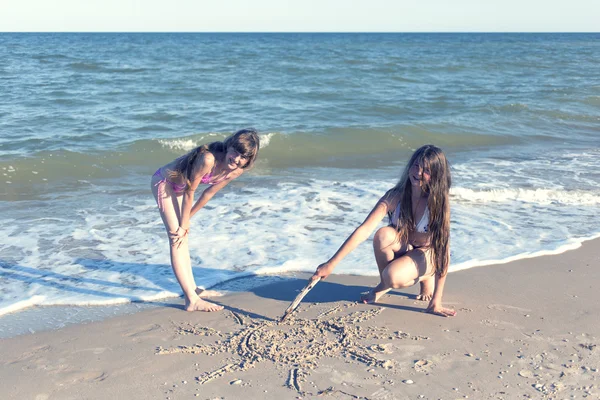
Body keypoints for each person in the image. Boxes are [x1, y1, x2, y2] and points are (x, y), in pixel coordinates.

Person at [311, 144, 456, 317]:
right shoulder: (395, 195)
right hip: (405, 247)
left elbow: (442, 249)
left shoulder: (438, 203)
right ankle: (386, 283)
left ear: (435, 175)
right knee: (383, 235)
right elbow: (364, 229)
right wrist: (331, 263)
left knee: (393, 276)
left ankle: (420, 278)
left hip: (428, 254)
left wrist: (436, 302)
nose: (418, 172)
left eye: (426, 170)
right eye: (416, 165)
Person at [151, 128, 260, 312]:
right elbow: (190, 190)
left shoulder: (235, 171)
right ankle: (191, 299)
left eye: (243, 157)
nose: (236, 158)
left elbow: (208, 194)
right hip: (165, 183)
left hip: (179, 189)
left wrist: (187, 220)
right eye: (235, 151)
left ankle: (194, 290)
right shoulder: (208, 159)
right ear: (228, 145)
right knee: (176, 238)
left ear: (248, 160)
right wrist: (183, 224)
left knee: (183, 237)